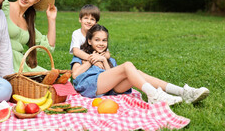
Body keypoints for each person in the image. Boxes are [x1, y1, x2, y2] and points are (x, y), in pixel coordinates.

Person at [70, 24, 210, 105]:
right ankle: (154, 95)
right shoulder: (81, 56)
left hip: (109, 89)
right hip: (89, 87)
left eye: (104, 40)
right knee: (127, 65)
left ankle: (183, 92)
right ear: (89, 41)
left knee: (137, 73)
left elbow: (110, 76)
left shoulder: (109, 59)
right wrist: (91, 59)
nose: (101, 43)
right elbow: (75, 75)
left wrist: (104, 61)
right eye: (97, 40)